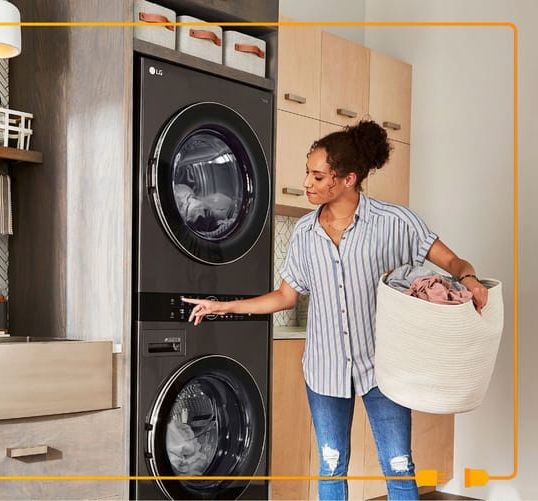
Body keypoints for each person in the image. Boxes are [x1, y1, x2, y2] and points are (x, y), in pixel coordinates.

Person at [182, 119, 488, 501]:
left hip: (383, 370)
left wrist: (471, 279)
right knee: (331, 467)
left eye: (317, 175)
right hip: (325, 371)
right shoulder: (305, 234)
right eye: (306, 174)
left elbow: (454, 262)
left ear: (347, 178)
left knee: (398, 466)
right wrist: (222, 306)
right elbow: (284, 297)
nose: (307, 183)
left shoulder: (395, 223)